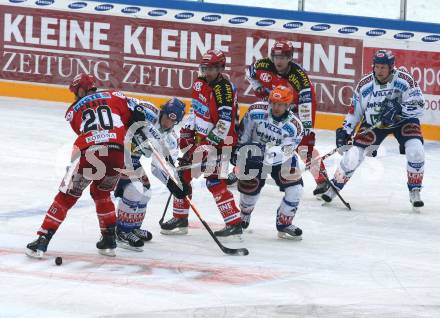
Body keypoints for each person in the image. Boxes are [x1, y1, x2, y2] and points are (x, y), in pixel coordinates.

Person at [25, 73, 135, 258]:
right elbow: (129, 117)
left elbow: (82, 129)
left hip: (92, 153)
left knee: (66, 196)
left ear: (82, 89)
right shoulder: (116, 96)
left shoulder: (73, 109)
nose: (75, 96)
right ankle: (109, 241)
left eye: (76, 92)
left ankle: (42, 240)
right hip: (117, 155)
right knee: (102, 193)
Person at [321, 50, 425, 211]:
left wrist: (400, 110)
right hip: (374, 123)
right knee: (353, 155)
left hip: (402, 121)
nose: (379, 71)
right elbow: (355, 111)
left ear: (391, 67)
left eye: (383, 67)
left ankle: (415, 190)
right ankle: (335, 186)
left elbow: (419, 105)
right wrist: (346, 130)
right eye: (377, 67)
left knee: (416, 150)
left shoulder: (405, 79)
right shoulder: (365, 84)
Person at [160, 49, 242, 237]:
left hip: (221, 143)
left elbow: (224, 123)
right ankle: (180, 218)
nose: (208, 72)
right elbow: (196, 110)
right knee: (181, 176)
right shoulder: (199, 82)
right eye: (206, 68)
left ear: (221, 68)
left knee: (215, 182)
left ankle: (234, 222)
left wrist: (208, 145)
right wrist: (187, 131)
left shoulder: (224, 90)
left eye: (213, 68)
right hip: (201, 139)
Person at [245, 40, 329, 197]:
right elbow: (249, 73)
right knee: (259, 136)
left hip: (298, 108)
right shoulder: (262, 65)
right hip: (276, 105)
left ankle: (321, 179)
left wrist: (307, 129)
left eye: (283, 57)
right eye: (276, 57)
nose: (279, 61)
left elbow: (306, 103)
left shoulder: (299, 78)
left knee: (303, 146)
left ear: (290, 57)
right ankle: (242, 170)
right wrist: (259, 89)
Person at [114, 97, 186, 251]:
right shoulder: (150, 111)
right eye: (166, 117)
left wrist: (171, 183)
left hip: (132, 159)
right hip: (117, 151)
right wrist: (135, 114)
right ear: (163, 112)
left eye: (172, 121)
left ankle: (132, 227)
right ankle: (121, 231)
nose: (167, 122)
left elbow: (160, 166)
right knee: (134, 189)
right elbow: (124, 100)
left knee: (146, 191)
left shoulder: (171, 140)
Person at [234, 85, 304, 239]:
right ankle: (244, 214)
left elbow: (286, 152)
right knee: (249, 188)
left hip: (281, 160)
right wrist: (239, 153)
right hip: (253, 155)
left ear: (288, 105)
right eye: (273, 103)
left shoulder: (295, 126)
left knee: (295, 190)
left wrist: (263, 150)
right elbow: (243, 136)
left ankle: (284, 223)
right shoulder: (255, 111)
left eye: (281, 105)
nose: (276, 107)